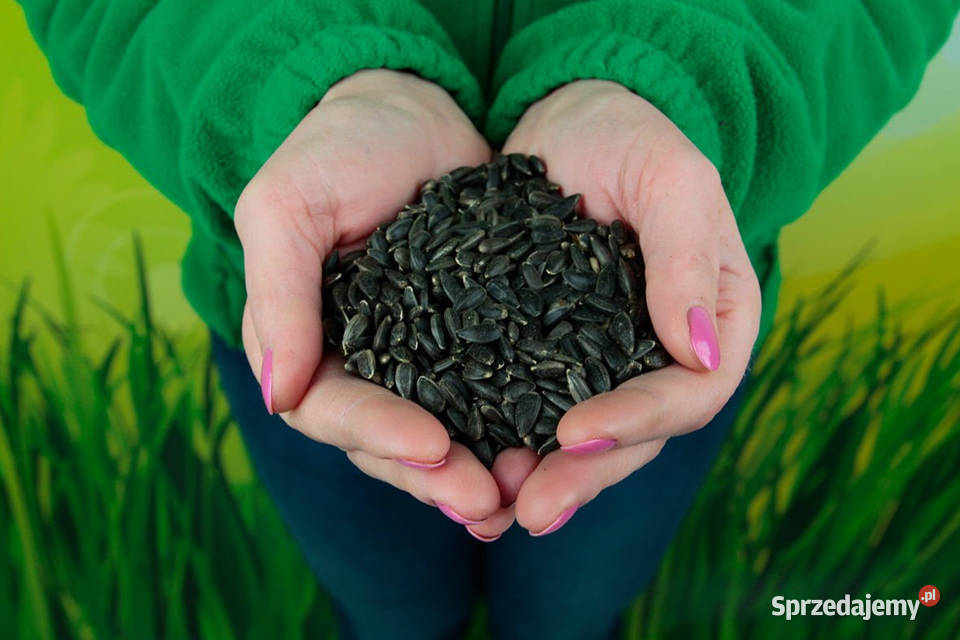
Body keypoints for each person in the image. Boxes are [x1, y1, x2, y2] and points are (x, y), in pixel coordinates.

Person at [19, 0, 958, 638]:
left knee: (570, 607)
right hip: (296, 301)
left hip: (659, 325)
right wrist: (299, 83)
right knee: (386, 604)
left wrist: (679, 86)